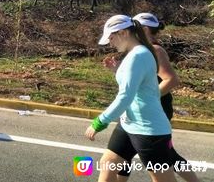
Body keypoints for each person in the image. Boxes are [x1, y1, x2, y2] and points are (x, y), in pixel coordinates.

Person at [105, 13, 199, 182]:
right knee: (117, 157)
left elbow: (171, 79)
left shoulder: (154, 50)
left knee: (165, 157)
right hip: (136, 111)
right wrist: (117, 71)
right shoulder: (137, 50)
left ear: (145, 29)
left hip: (155, 109)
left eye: (136, 27)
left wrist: (151, 97)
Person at [85, 15, 177, 182]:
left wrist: (100, 121)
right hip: (129, 125)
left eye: (111, 38)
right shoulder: (136, 53)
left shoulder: (139, 55)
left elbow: (126, 96)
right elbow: (137, 86)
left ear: (123, 33)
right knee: (107, 164)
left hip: (149, 131)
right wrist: (117, 71)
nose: (110, 43)